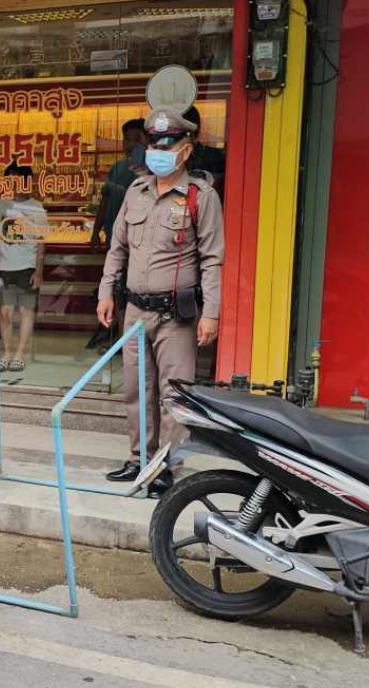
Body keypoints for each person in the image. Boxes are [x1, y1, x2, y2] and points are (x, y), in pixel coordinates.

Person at [96, 108, 224, 498]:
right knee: (137, 390)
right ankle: (140, 459)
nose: (158, 153)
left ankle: (166, 466)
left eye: (167, 146)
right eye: (154, 145)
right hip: (135, 311)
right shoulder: (135, 192)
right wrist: (106, 292)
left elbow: (212, 259)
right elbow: (117, 248)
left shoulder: (200, 196)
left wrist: (211, 313)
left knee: (174, 393)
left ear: (186, 150)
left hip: (175, 315)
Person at [88, 119, 147, 349]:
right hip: (115, 241)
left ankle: (129, 344)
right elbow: (104, 202)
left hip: (139, 246)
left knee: (130, 296)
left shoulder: (149, 173)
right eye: (127, 139)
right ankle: (121, 343)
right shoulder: (117, 168)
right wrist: (96, 232)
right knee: (115, 292)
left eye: (136, 139)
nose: (130, 144)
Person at [0, 163, 48, 373]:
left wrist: (39, 271)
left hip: (27, 267)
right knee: (5, 313)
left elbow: (41, 242)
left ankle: (20, 354)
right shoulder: (2, 205)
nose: (15, 184)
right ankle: (6, 353)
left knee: (26, 311)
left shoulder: (37, 206)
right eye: (11, 180)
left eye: (18, 179)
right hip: (6, 267)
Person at [182, 106, 227, 199]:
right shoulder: (162, 157)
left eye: (181, 133)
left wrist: (208, 177)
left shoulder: (215, 156)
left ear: (194, 133)